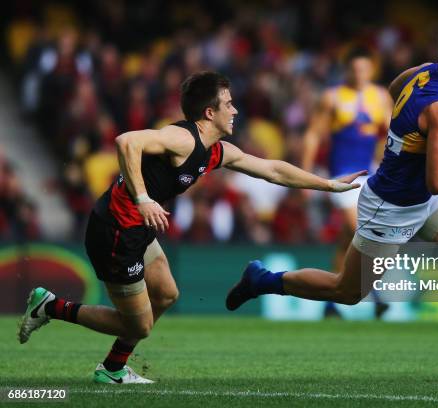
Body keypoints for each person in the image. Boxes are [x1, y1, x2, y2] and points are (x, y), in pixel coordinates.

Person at [226, 20, 438, 377]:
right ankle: (262, 280)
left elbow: (394, 89)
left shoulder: (423, 72)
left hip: (420, 197)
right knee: (347, 291)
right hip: (390, 207)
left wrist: (412, 134)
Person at [18, 71, 364, 384]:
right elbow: (127, 142)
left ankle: (111, 370)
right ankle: (50, 307)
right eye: (228, 104)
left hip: (139, 227)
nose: (235, 110)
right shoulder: (182, 139)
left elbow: (273, 170)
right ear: (209, 113)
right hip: (117, 230)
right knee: (139, 326)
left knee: (167, 295)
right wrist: (142, 197)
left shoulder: (217, 151)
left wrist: (330, 184)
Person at [301, 46, 393, 318]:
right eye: (355, 69)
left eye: (364, 69)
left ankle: (330, 305)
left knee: (346, 241)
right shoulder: (332, 98)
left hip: (370, 175)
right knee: (358, 230)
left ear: (371, 70)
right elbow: (313, 135)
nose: (360, 74)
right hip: (341, 176)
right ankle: (376, 295)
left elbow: (388, 135)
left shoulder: (380, 97)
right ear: (347, 71)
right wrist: (307, 177)